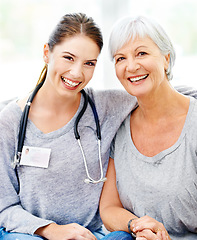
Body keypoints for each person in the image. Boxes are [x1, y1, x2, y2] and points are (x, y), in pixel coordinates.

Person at [0, 13, 196, 240]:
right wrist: (52, 230)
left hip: (90, 235)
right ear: (47, 53)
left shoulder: (106, 106)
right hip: (29, 233)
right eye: (68, 58)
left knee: (123, 238)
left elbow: (159, 92)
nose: (76, 73)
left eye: (89, 63)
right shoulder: (10, 122)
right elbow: (3, 207)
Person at [99, 16, 197, 240]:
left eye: (141, 53)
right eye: (120, 58)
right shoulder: (120, 126)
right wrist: (138, 225)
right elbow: (109, 209)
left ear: (166, 58)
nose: (131, 66)